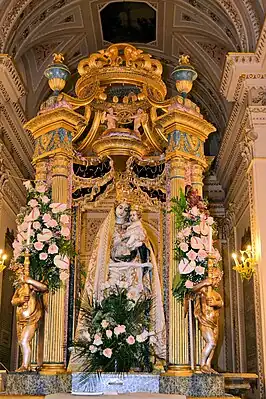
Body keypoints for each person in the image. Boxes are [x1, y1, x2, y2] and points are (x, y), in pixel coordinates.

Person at [11, 274, 48, 372]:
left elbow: (44, 287)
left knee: (24, 340)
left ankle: (25, 366)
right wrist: (21, 300)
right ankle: (27, 364)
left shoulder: (32, 286)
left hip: (32, 319)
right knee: (21, 342)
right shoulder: (20, 288)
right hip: (21, 319)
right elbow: (13, 301)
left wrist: (30, 281)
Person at [192, 267, 223, 373]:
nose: (217, 282)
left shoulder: (216, 294)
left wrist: (215, 303)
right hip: (205, 321)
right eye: (215, 279)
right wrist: (204, 282)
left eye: (218, 279)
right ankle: (202, 364)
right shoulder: (204, 290)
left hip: (215, 322)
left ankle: (208, 365)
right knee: (211, 343)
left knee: (214, 346)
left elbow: (221, 303)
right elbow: (193, 289)